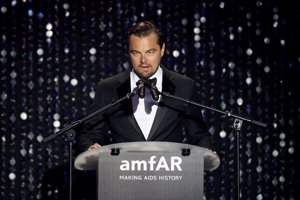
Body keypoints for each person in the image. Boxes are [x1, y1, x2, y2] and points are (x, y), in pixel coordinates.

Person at [76, 21, 212, 154]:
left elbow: (199, 135)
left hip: (169, 173)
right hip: (123, 173)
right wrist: (90, 147)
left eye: (150, 52)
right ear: (129, 52)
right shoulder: (108, 88)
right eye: (136, 53)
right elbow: (89, 136)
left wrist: (206, 152)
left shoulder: (184, 86)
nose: (143, 61)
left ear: (162, 49)